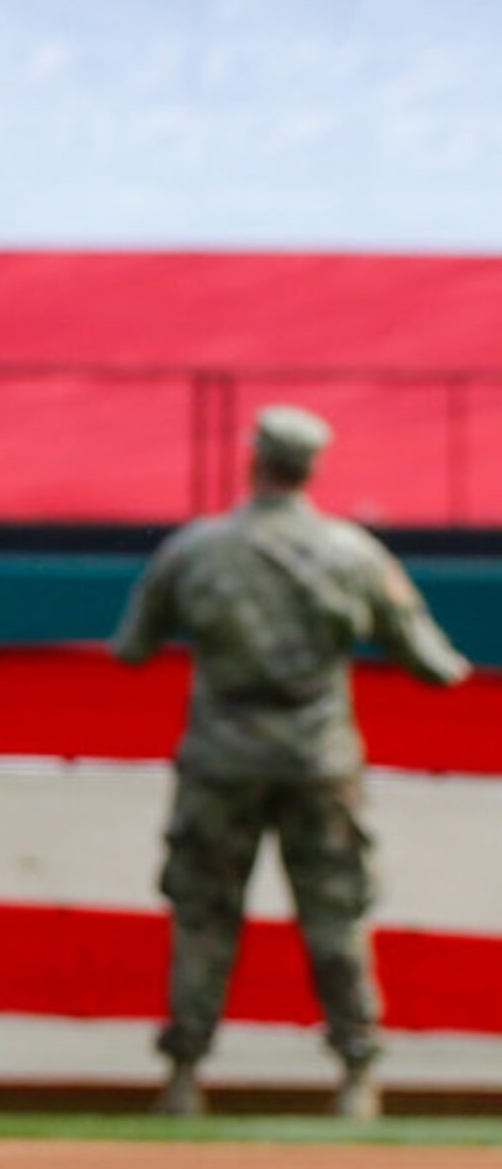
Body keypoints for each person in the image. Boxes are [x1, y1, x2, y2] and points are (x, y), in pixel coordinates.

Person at [112, 404, 469, 1120]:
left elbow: (132, 646)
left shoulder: (196, 550)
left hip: (220, 761)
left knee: (204, 915)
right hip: (318, 761)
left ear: (254, 460)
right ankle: (356, 1073)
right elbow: (433, 664)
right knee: (335, 914)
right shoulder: (353, 553)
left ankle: (183, 1073)